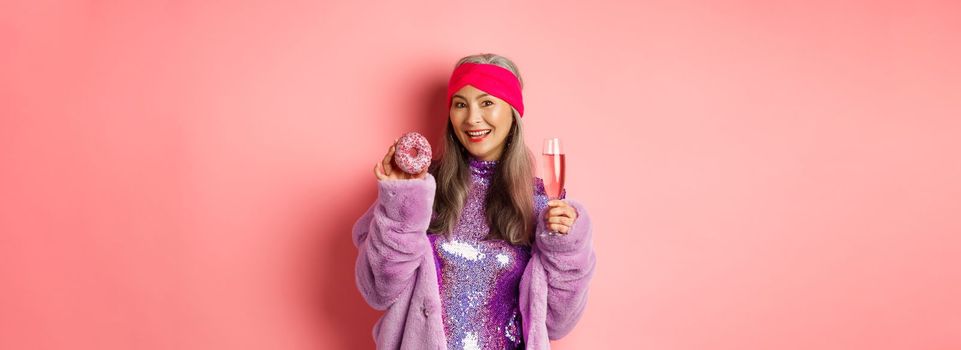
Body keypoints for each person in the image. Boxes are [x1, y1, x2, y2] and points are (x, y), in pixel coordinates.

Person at [352, 53, 596, 349]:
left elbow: (557, 322)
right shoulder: (420, 189)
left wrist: (566, 249)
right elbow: (379, 290)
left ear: (512, 112)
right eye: (460, 104)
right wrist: (400, 205)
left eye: (487, 102)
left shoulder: (539, 203)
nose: (472, 118)